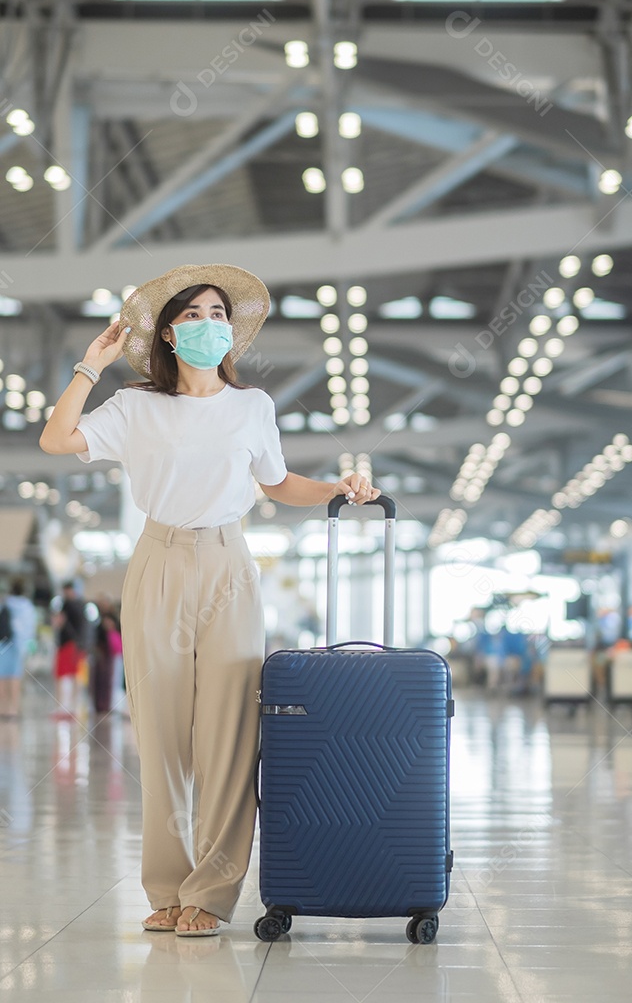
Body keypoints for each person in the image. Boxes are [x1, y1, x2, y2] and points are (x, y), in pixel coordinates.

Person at [39, 263, 380, 937]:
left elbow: (278, 483)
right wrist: (89, 365)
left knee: (230, 734)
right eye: (192, 315)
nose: (208, 325)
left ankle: (213, 891)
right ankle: (166, 888)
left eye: (219, 314)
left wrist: (338, 488)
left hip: (228, 565)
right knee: (159, 734)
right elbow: (56, 440)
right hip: (157, 563)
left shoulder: (253, 407)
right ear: (168, 334)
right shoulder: (135, 407)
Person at [0, 580, 37, 718]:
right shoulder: (28, 607)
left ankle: (3, 709)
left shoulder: (4, 603)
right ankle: (13, 709)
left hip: (3, 645)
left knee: (2, 677)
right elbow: (30, 629)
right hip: (19, 646)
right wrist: (29, 646)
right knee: (15, 677)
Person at [51, 581, 86, 718]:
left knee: (63, 675)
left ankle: (63, 707)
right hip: (78, 645)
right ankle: (73, 707)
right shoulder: (81, 605)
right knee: (75, 676)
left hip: (67, 644)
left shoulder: (67, 605)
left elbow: (58, 622)